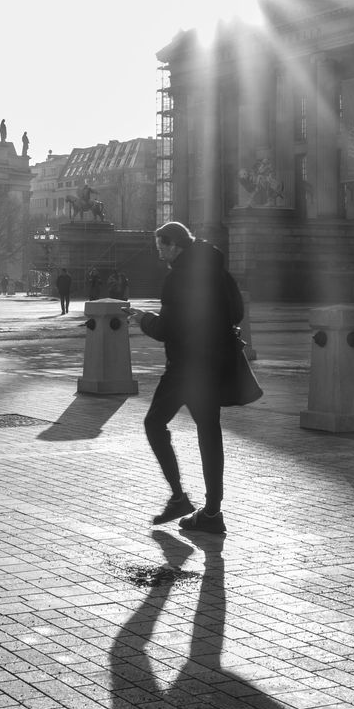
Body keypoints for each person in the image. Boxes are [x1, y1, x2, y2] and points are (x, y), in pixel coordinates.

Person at [127, 221, 244, 536]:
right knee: (209, 432)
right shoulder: (216, 268)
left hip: (184, 367)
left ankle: (179, 497)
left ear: (173, 245)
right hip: (214, 363)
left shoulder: (176, 279)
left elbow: (167, 329)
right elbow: (238, 313)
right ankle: (212, 512)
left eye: (161, 247)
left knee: (154, 423)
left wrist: (144, 319)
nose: (160, 253)